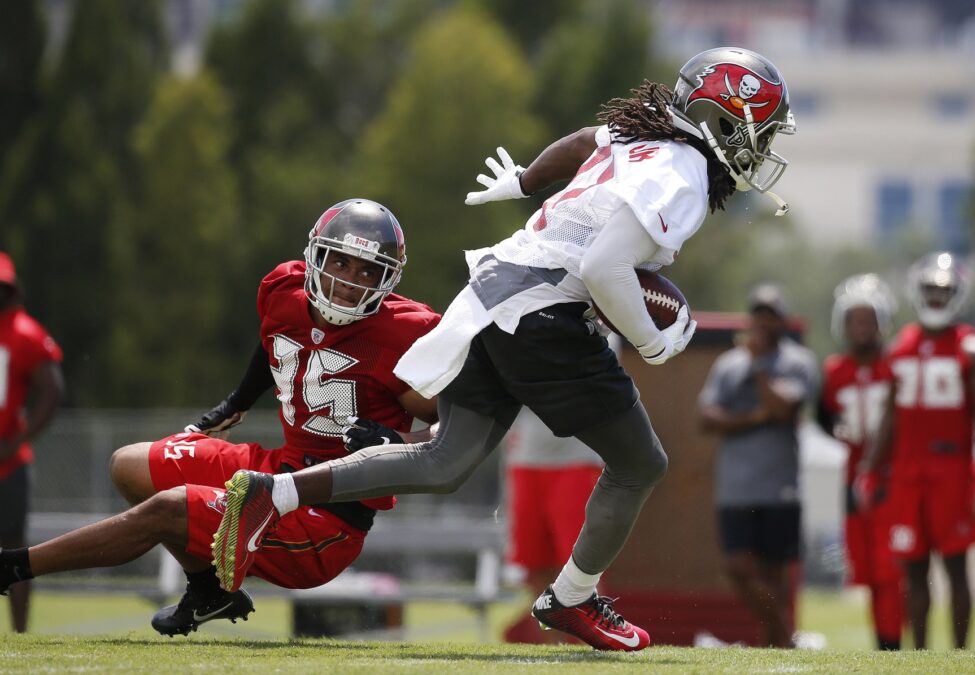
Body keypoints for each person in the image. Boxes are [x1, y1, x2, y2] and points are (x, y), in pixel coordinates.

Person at [210, 47, 798, 651]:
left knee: (444, 462)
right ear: (724, 118)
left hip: (490, 290)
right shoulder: (685, 176)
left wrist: (525, 183)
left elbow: (581, 141)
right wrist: (651, 343)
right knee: (640, 464)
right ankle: (572, 598)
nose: (763, 144)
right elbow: (603, 267)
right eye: (761, 127)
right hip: (542, 313)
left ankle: (273, 493)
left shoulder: (634, 137)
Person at [0, 200, 440, 637]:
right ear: (316, 255)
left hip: (324, 520)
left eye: (368, 270)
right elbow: (275, 337)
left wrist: (399, 441)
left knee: (170, 509)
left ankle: (14, 566)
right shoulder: (284, 289)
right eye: (341, 262)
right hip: (276, 468)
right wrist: (238, 402)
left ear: (390, 278)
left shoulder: (404, 334)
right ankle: (209, 592)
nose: (349, 281)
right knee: (130, 466)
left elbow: (458, 434)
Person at [858, 251, 975, 650]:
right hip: (907, 473)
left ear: (957, 293)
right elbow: (890, 414)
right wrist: (870, 466)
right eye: (930, 290)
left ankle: (960, 656)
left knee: (956, 566)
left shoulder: (971, 347)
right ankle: (919, 656)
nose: (936, 298)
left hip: (952, 471)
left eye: (944, 291)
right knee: (912, 569)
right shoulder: (901, 346)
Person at [697, 284, 817, 648]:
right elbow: (706, 418)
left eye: (771, 315)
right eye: (758, 315)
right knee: (737, 567)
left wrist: (761, 366)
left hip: (779, 486)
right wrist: (755, 417)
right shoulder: (729, 363)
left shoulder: (798, 362)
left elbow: (783, 409)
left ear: (782, 321)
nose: (763, 322)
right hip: (736, 487)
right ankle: (785, 639)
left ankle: (771, 649)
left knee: (775, 574)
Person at [817, 274, 905, 650]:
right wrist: (839, 430)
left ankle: (896, 646)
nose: (862, 327)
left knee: (892, 571)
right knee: (866, 570)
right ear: (843, 323)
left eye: (869, 319)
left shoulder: (897, 363)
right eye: (855, 319)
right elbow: (824, 416)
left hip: (895, 475)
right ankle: (884, 647)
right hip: (854, 476)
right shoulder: (836, 370)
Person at [0, 252, 65, 633]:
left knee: (12, 550)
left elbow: (52, 389)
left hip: (8, 462)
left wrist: (17, 440)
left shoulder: (23, 332)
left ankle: (20, 633)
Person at [501, 406, 604, 644]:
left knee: (581, 564)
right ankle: (552, 651)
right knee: (536, 565)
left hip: (577, 458)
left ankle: (591, 647)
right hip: (524, 458)